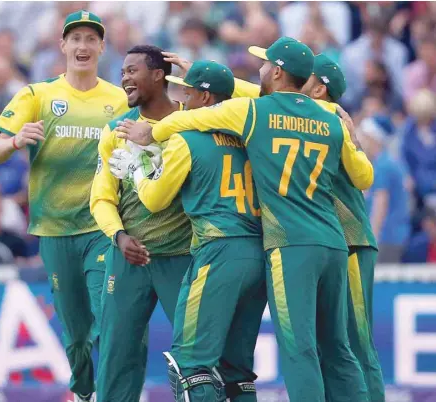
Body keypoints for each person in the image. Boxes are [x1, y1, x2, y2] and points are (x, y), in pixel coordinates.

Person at [117, 37, 372, 402]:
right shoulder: (330, 118)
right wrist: (354, 138)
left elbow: (196, 119)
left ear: (279, 72)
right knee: (337, 349)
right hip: (330, 242)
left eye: (266, 65)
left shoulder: (252, 114)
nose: (260, 69)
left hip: (283, 245)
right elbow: (364, 177)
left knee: (284, 352)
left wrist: (146, 145)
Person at [0, 10, 129, 402]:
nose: (83, 46)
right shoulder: (38, 95)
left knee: (110, 317)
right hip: (53, 229)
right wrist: (16, 141)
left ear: (102, 46)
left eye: (91, 39)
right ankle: (84, 391)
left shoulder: (118, 99)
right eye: (76, 39)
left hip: (103, 227)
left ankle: (111, 394)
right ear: (63, 45)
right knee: (77, 332)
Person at [111, 60, 267, 402]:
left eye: (190, 92)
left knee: (190, 366)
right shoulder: (252, 137)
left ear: (206, 98)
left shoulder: (187, 139)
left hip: (218, 252)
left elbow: (153, 198)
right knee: (237, 371)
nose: (183, 99)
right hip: (260, 253)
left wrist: (137, 166)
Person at [89, 45, 192, 402]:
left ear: (159, 74)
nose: (125, 78)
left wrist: (191, 72)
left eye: (133, 70)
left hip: (182, 255)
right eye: (122, 72)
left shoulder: (192, 121)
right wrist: (118, 236)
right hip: (128, 257)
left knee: (194, 354)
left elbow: (255, 98)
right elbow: (101, 197)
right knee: (117, 354)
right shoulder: (116, 130)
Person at [300, 54, 385, 402]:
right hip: (330, 241)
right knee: (331, 343)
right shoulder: (303, 117)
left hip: (350, 240)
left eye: (303, 76)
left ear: (319, 89)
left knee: (356, 341)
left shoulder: (329, 117)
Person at [358, 116, 411, 263]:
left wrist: (372, 239)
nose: (360, 139)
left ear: (373, 138)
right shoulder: (387, 161)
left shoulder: (383, 165)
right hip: (392, 236)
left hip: (386, 238)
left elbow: (381, 204)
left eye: (363, 135)